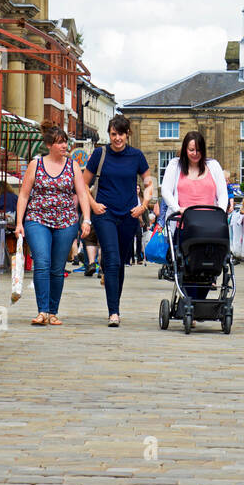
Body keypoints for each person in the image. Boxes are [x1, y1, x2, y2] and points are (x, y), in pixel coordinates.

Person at [16, 123, 92, 326]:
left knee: (57, 268)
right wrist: (19, 223)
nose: (64, 145)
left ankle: (52, 311)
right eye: (60, 142)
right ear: (49, 145)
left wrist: (86, 219)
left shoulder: (72, 165)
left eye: (65, 141)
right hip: (37, 219)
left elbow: (82, 193)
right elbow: (23, 195)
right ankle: (42, 311)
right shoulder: (36, 164)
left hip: (66, 221)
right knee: (42, 263)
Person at [83, 116, 153, 327]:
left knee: (120, 262)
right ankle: (113, 312)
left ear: (127, 134)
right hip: (105, 213)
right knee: (112, 260)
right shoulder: (100, 154)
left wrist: (144, 204)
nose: (117, 139)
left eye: (121, 134)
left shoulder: (136, 156)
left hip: (129, 215)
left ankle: (115, 303)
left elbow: (149, 183)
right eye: (113, 134)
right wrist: (94, 205)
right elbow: (83, 184)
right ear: (109, 134)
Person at [160, 131, 229, 304]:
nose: (195, 153)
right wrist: (178, 209)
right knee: (186, 265)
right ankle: (189, 301)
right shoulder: (175, 165)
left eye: (198, 150)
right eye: (191, 150)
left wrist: (220, 213)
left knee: (208, 266)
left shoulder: (213, 166)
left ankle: (198, 302)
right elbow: (166, 191)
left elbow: (223, 193)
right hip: (184, 224)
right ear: (185, 149)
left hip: (210, 227)